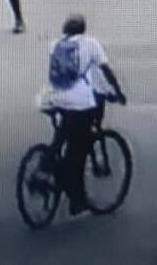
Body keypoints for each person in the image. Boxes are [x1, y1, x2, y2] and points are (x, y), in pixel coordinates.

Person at [45, 14, 127, 215]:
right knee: (79, 152)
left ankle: (46, 162)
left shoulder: (55, 44)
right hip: (80, 102)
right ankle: (77, 198)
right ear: (83, 29)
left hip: (54, 98)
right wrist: (117, 91)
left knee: (64, 133)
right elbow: (105, 71)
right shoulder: (90, 44)